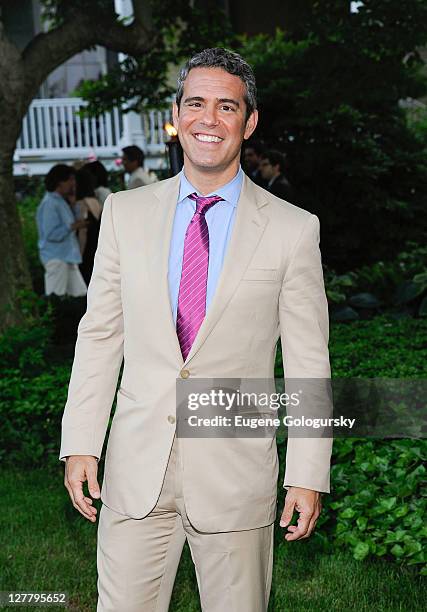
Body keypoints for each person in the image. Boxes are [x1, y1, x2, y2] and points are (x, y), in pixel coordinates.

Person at [59, 47, 332, 612]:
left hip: (236, 476)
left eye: (227, 107)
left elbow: (309, 363)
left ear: (248, 122)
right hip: (136, 470)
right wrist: (81, 441)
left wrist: (309, 472)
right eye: (197, 103)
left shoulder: (293, 230)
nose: (210, 119)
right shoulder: (126, 214)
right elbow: (100, 336)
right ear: (178, 114)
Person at [36, 164, 88, 297]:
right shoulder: (50, 203)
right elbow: (51, 234)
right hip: (56, 257)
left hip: (67, 256)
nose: (73, 183)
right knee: (55, 296)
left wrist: (74, 203)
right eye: (70, 180)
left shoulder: (61, 202)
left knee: (81, 294)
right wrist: (72, 227)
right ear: (59, 182)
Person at [74, 168, 103, 285]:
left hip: (86, 249)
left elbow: (82, 232)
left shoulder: (81, 204)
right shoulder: (96, 202)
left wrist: (79, 255)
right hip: (97, 246)